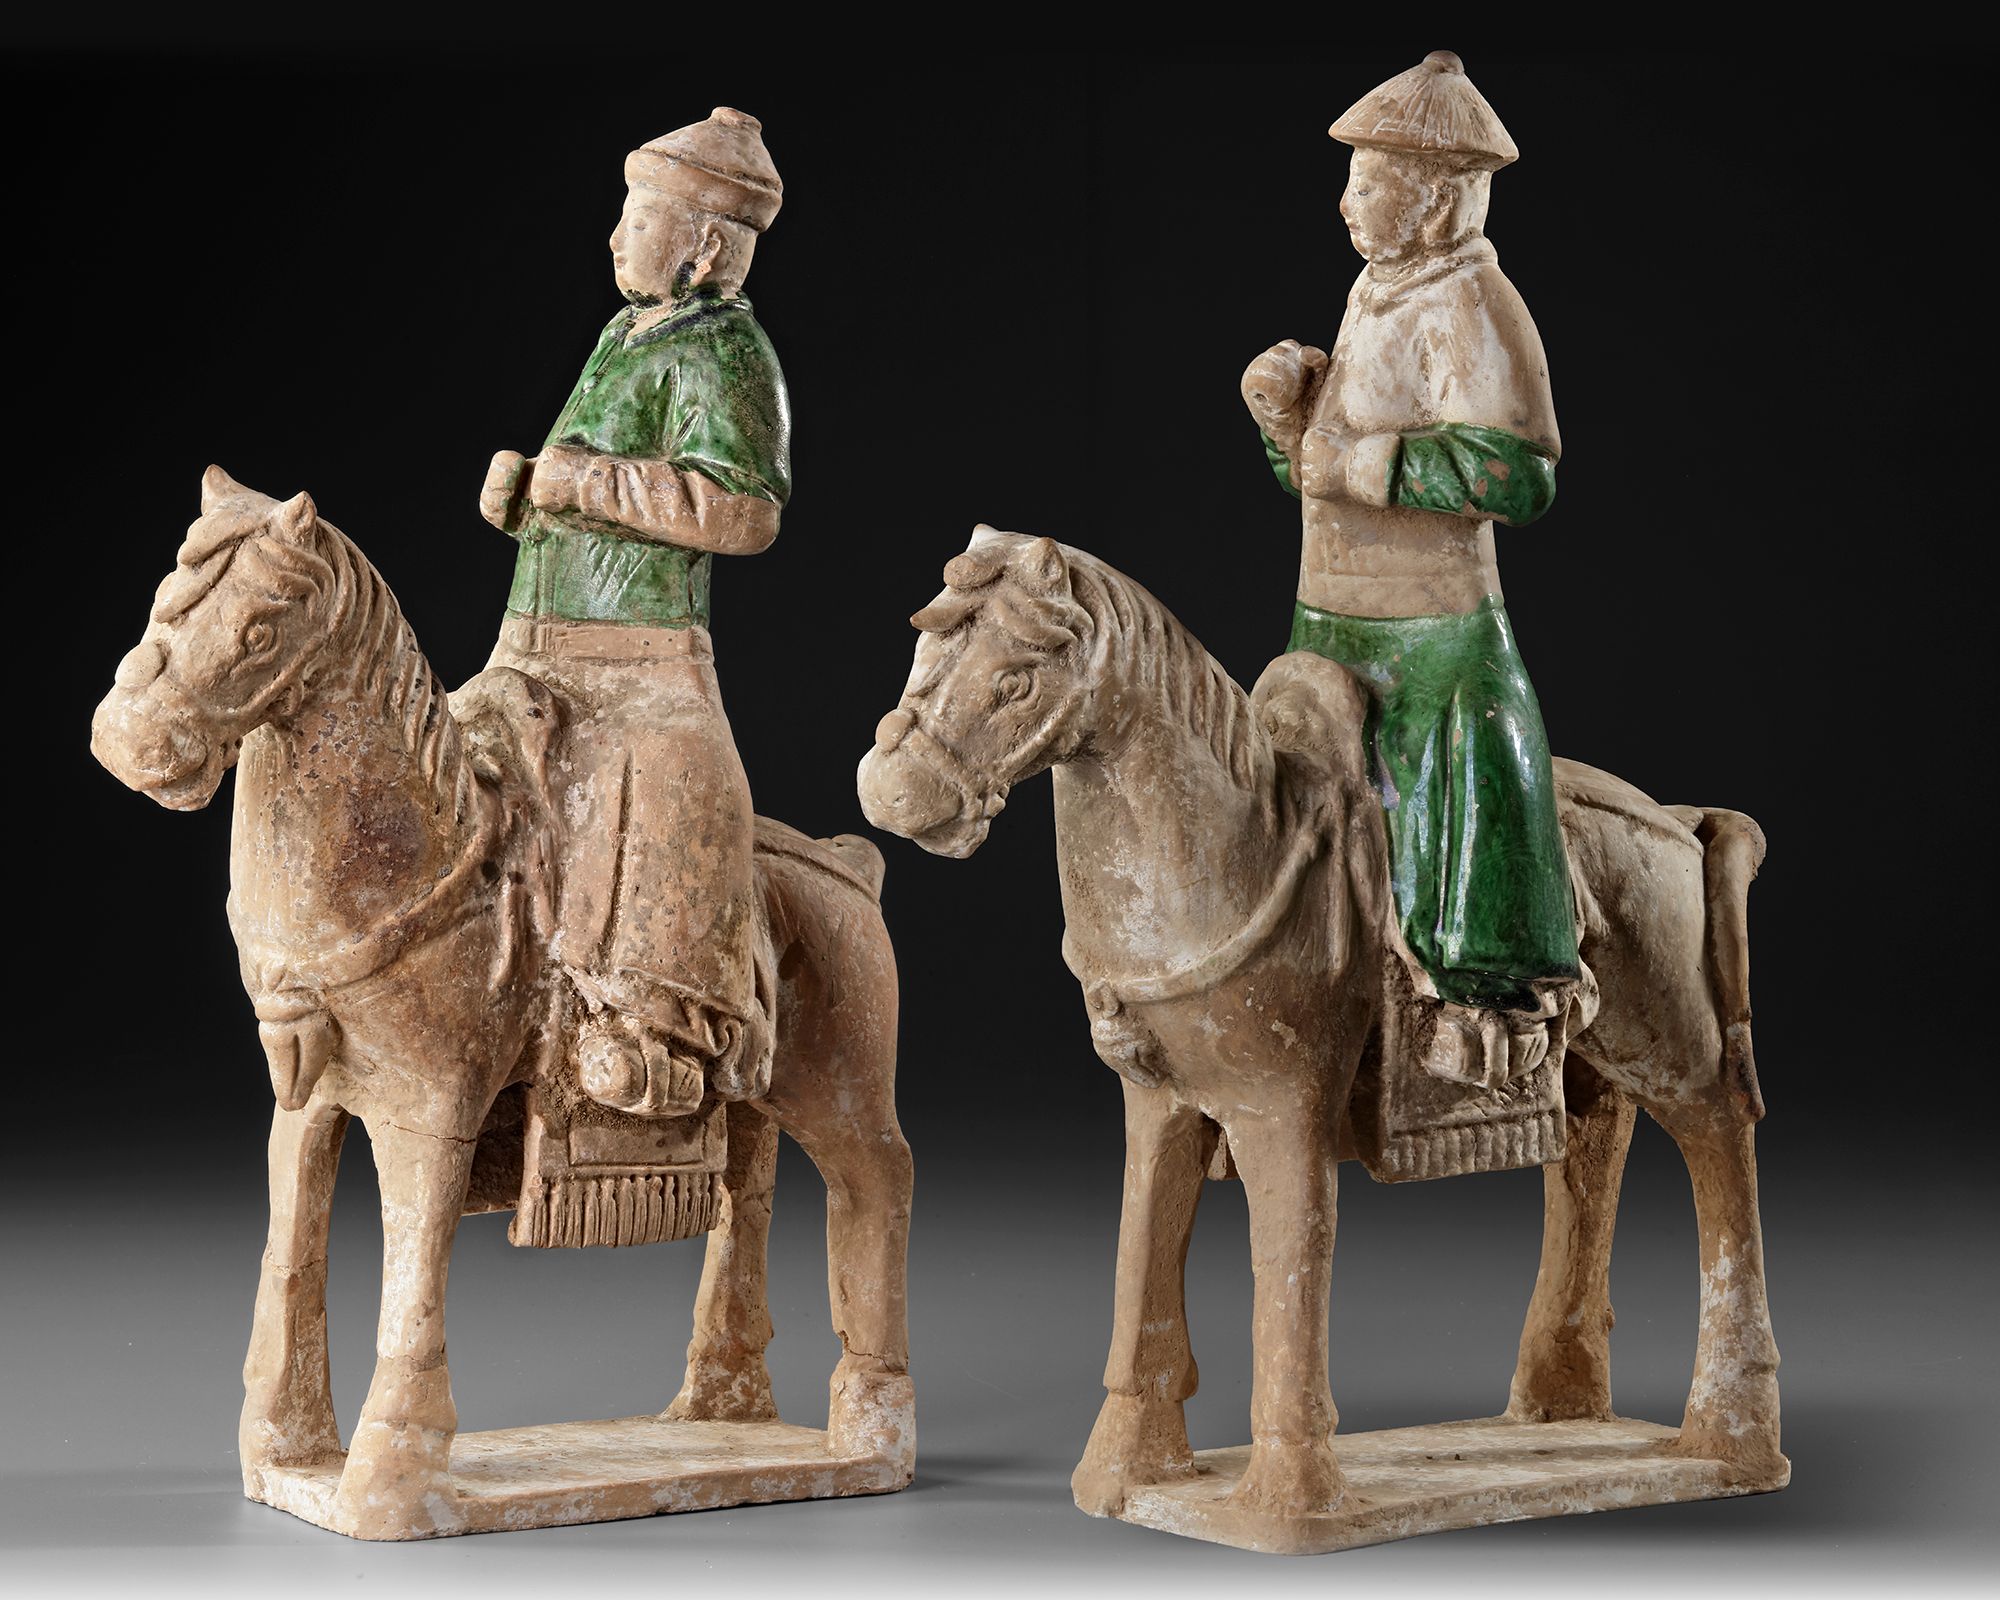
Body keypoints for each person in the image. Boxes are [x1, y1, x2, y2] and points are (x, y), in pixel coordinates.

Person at [1243, 52, 1578, 1088]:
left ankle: (1489, 998)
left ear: (1435, 201)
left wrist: (1358, 462)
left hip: (1439, 636)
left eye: (1370, 184)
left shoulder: (1474, 305)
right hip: (1328, 617)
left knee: (1476, 750)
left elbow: (1518, 477)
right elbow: (1324, 474)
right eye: (1349, 182)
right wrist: (1285, 424)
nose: (1347, 204)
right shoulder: (1373, 292)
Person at [480, 107, 788, 1116]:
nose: (616, 237)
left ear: (707, 247)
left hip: (647, 666)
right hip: (528, 646)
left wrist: (579, 484)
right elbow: (581, 477)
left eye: (640, 219)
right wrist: (525, 494)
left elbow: (745, 510)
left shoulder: (729, 352)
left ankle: (673, 1027)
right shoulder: (623, 335)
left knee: (675, 795)